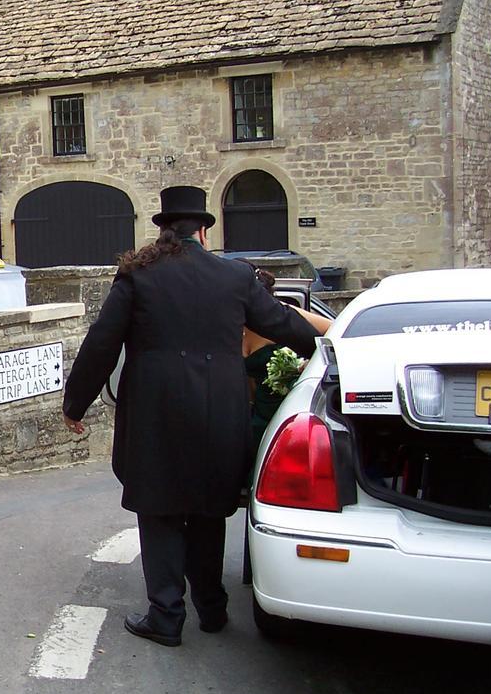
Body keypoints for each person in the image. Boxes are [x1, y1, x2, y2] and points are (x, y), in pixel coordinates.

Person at [62, 186, 320, 647]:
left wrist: (74, 405)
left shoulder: (138, 277)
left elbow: (101, 344)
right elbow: (283, 324)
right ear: (203, 229)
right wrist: (319, 354)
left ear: (163, 230)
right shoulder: (236, 277)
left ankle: (166, 615)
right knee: (207, 509)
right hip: (219, 410)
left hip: (154, 412)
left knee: (158, 509)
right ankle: (212, 608)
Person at [241, 263, 332, 449]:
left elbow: (334, 330)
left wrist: (311, 363)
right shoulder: (230, 319)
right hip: (249, 416)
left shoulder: (281, 313)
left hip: (284, 409)